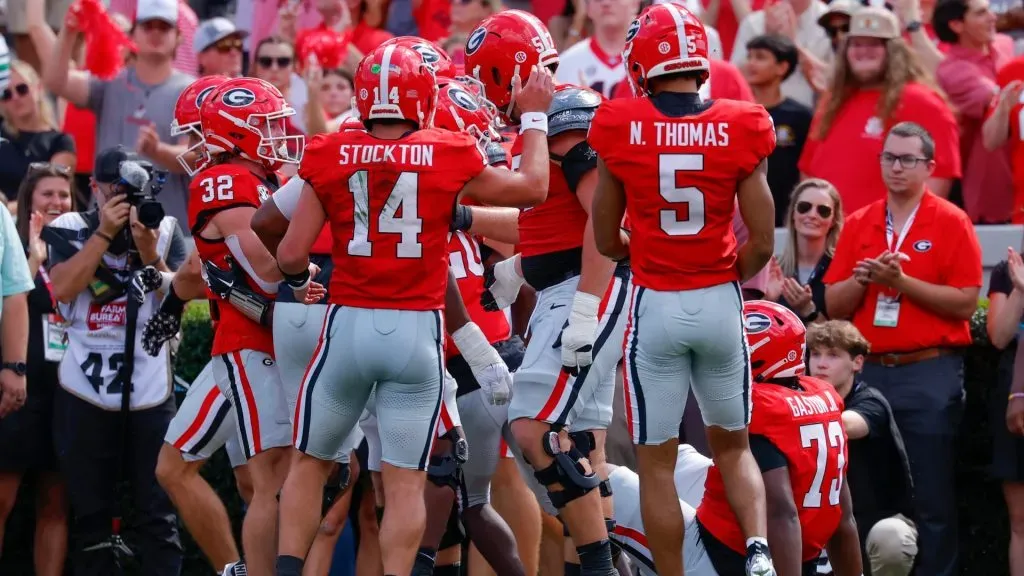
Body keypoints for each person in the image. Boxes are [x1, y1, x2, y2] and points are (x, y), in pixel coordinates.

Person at [272, 42, 554, 576]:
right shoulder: (448, 150)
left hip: (347, 326)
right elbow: (532, 189)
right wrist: (535, 115)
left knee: (310, 463)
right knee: (405, 481)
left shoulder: (329, 150)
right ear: (423, 99)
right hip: (416, 335)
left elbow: (289, 252)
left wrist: (297, 279)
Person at [588, 3, 776, 575]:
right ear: (702, 60)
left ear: (643, 64)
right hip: (719, 298)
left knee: (658, 464)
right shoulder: (744, 121)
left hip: (656, 304)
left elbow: (603, 236)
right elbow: (764, 244)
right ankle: (760, 554)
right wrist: (717, 273)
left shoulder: (619, 124)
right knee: (734, 446)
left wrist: (646, 253)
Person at [466, 11, 632, 576]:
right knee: (584, 441)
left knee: (531, 426)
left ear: (504, 71)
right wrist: (490, 239)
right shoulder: (540, 124)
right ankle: (609, 564)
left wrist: (585, 305)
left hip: (583, 293)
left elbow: (603, 222)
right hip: (569, 290)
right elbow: (547, 220)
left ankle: (599, 566)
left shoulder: (564, 114)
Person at [824, 121, 983, 576]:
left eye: (907, 159)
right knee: (859, 488)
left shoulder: (950, 220)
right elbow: (833, 303)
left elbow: (966, 301)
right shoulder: (860, 221)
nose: (896, 167)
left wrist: (901, 282)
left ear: (930, 167)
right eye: (889, 157)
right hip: (869, 370)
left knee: (932, 496)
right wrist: (866, 279)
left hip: (927, 370)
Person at [608, 301, 862, 575]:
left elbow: (781, 512)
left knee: (603, 481)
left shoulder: (760, 408)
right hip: (796, 552)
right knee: (680, 459)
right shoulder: (820, 397)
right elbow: (843, 516)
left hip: (726, 560)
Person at [188, 75, 314, 576]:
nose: (278, 131)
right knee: (272, 478)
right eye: (264, 124)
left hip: (271, 337)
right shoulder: (227, 181)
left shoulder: (257, 180)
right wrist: (304, 275)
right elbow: (265, 271)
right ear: (237, 132)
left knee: (275, 477)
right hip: (251, 339)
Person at [45, 145, 188, 576]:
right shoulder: (69, 225)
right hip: (85, 390)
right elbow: (64, 290)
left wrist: (148, 251)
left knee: (159, 514)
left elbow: (179, 299)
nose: (124, 199)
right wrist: (104, 235)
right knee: (90, 516)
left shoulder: (163, 228)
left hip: (149, 387)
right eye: (116, 189)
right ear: (95, 187)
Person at [43, 0, 196, 227]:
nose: (155, 33)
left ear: (178, 37)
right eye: (147, 26)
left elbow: (193, 157)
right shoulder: (110, 82)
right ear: (133, 34)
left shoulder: (191, 91)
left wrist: (158, 151)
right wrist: (68, 32)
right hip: (106, 223)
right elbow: (56, 82)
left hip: (165, 225)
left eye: (163, 27)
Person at [797, 6, 960, 213]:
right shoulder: (832, 102)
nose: (864, 51)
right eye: (856, 44)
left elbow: (938, 177)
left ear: (894, 51)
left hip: (887, 238)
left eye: (874, 44)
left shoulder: (923, 102)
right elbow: (808, 171)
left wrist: (904, 232)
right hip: (830, 235)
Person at [0, 163, 75, 575]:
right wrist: (32, 256)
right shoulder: (9, 237)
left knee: (55, 500)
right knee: (3, 498)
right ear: (29, 198)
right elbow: (11, 298)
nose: (56, 202)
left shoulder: (82, 243)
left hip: (66, 389)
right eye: (47, 194)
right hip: (17, 383)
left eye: (63, 194)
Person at [807, 320, 918, 575]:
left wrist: (789, 416)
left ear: (857, 363)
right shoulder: (801, 399)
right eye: (815, 354)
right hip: (818, 523)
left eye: (833, 355)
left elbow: (847, 425)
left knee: (891, 538)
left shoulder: (871, 401)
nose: (821, 363)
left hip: (876, 523)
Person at [741, 34, 811, 224]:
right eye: (749, 57)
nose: (751, 63)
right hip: (742, 217)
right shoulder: (735, 113)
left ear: (782, 67)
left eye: (760, 57)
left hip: (786, 217)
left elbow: (807, 172)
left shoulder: (801, 116)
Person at [764, 179, 843, 324]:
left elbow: (842, 341)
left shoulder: (842, 269)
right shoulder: (773, 269)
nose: (812, 215)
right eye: (804, 207)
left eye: (823, 210)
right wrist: (767, 301)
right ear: (793, 214)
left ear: (833, 220)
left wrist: (808, 310)